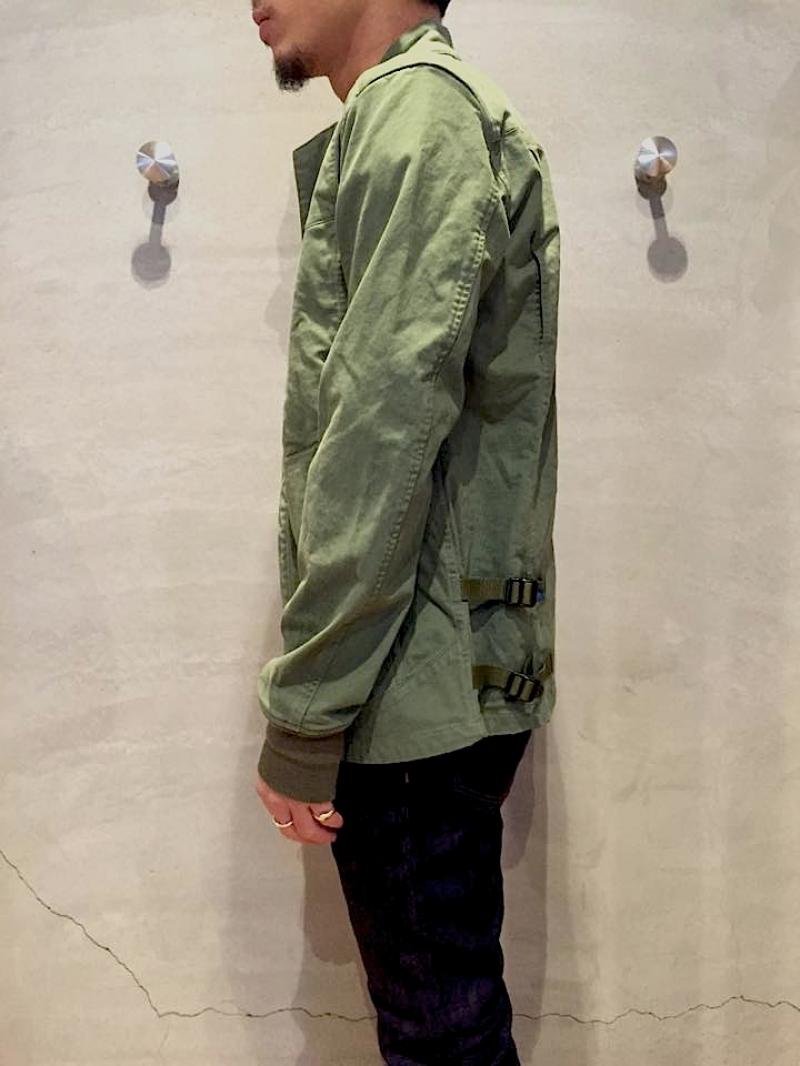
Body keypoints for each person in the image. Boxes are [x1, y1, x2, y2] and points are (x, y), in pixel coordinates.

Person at [250, 2, 560, 1062]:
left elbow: (383, 431)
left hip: (406, 681)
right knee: (443, 1023)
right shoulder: (418, 114)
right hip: (427, 666)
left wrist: (306, 710)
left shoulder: (418, 113)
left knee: (439, 1037)